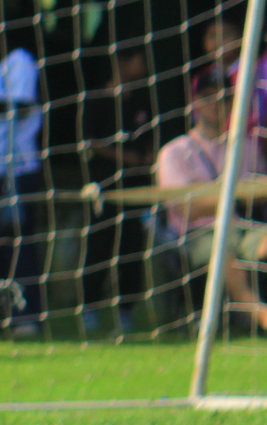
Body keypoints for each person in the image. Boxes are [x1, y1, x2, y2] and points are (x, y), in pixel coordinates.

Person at [155, 62, 267, 334]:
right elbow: (186, 210)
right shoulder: (175, 152)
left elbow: (260, 196)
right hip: (195, 234)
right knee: (222, 249)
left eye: (225, 96)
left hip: (242, 228)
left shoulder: (247, 146)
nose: (217, 102)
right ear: (196, 102)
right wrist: (237, 195)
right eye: (208, 96)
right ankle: (260, 315)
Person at [78, 47, 160, 338]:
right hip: (105, 188)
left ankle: (126, 311)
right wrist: (128, 159)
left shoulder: (141, 100)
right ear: (123, 61)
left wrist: (147, 158)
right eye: (140, 59)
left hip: (136, 189)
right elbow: (91, 143)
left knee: (132, 245)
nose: (144, 66)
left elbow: (149, 139)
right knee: (99, 245)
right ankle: (90, 308)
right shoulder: (96, 100)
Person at [0, 20, 46, 339]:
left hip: (18, 170)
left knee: (20, 243)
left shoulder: (20, 61)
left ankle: (27, 317)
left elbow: (19, 106)